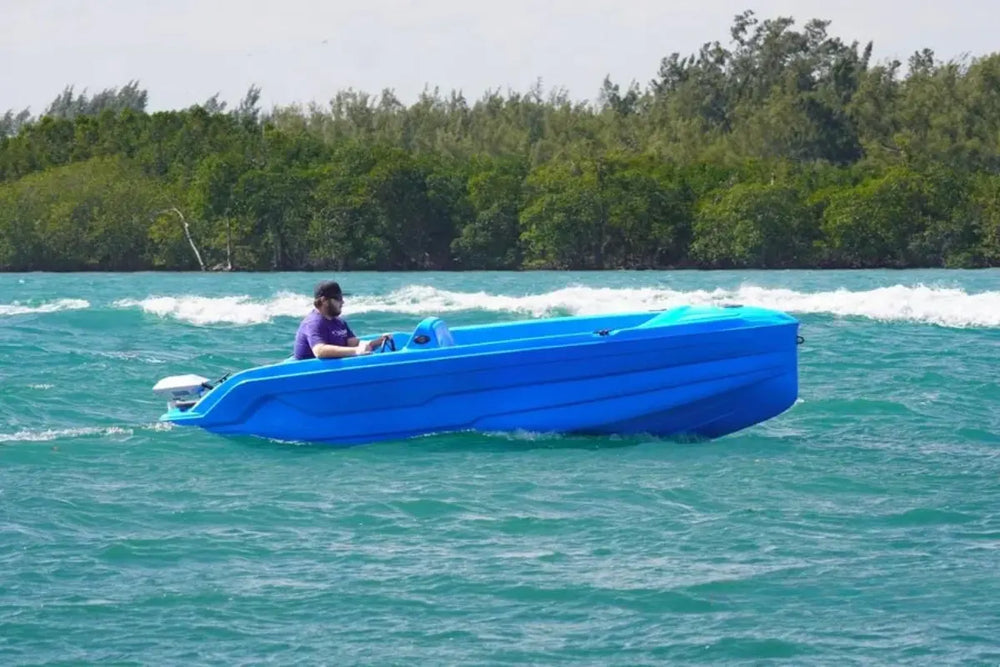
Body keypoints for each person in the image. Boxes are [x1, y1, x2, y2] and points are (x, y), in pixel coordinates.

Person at [293, 280, 390, 360]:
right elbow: (319, 350)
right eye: (338, 298)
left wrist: (378, 342)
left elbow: (354, 343)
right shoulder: (314, 322)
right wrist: (356, 351)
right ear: (323, 300)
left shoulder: (339, 322)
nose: (342, 302)